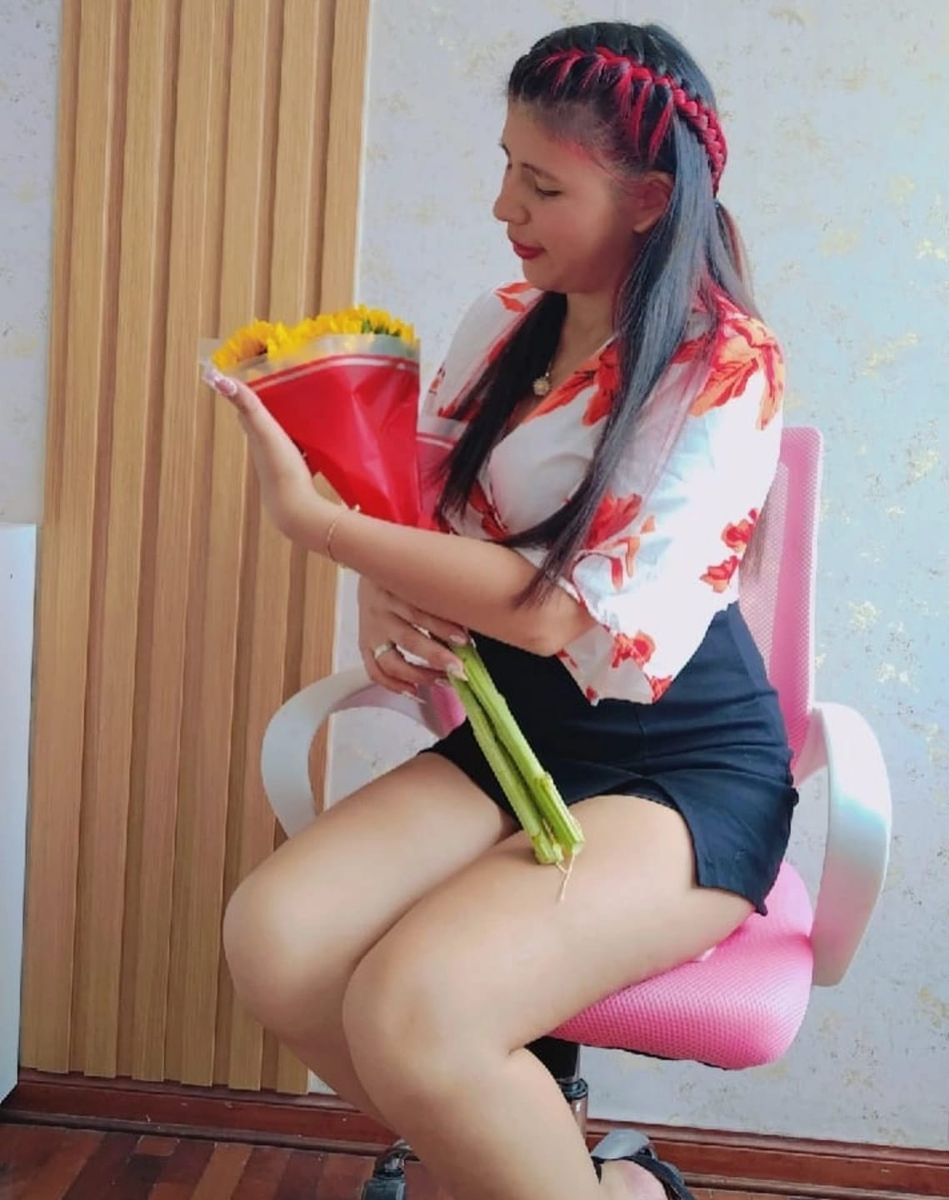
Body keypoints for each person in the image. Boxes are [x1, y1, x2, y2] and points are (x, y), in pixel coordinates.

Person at [206, 21, 797, 1200]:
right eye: (505, 167)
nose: (502, 206)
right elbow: (425, 513)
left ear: (647, 200)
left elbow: (553, 616)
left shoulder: (723, 366)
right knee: (276, 939)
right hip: (517, 733)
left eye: (543, 184)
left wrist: (317, 528)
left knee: (414, 1008)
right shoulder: (504, 319)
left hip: (679, 767)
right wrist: (382, 589)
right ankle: (584, 1178)